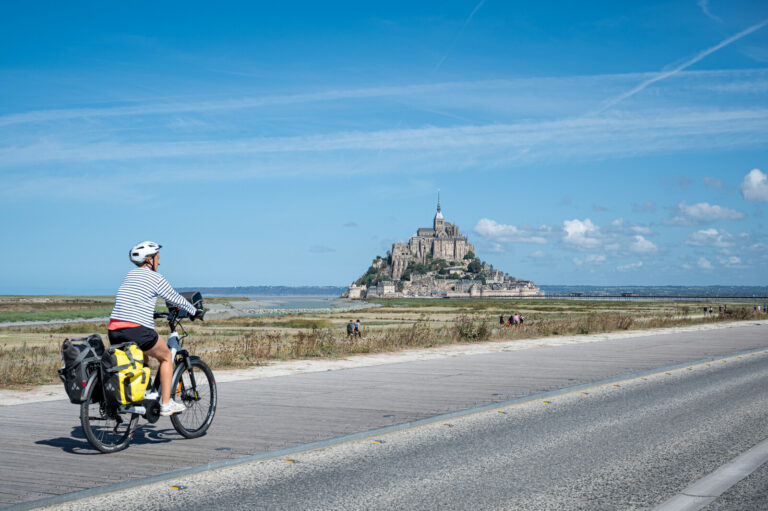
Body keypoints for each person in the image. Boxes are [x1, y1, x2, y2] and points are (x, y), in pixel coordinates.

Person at [108, 241, 202, 416]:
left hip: (114, 329)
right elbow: (175, 298)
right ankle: (166, 403)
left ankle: (142, 393)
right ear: (149, 260)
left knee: (141, 355)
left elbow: (133, 300)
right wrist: (195, 311)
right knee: (166, 356)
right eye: (158, 258)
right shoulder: (156, 278)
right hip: (136, 329)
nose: (159, 262)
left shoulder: (129, 275)